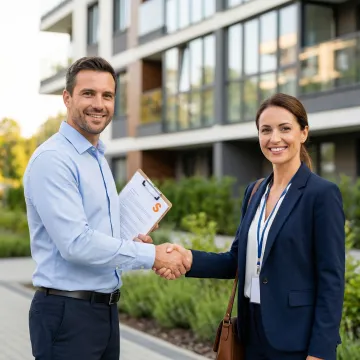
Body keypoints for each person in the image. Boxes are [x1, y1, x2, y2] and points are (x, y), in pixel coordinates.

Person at [23, 56, 191, 360]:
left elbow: (98, 236)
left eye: (107, 95)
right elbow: (76, 244)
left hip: (104, 313)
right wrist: (152, 255)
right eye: (88, 93)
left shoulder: (98, 157)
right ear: (67, 97)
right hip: (67, 315)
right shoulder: (53, 160)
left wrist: (132, 244)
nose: (98, 103)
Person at [155, 93, 345, 360]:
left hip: (296, 341)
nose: (274, 138)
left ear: (303, 133)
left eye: (285, 128)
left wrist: (321, 352)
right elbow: (237, 260)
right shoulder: (254, 191)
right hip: (250, 334)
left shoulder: (321, 194)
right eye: (265, 130)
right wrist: (188, 258)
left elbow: (332, 280)